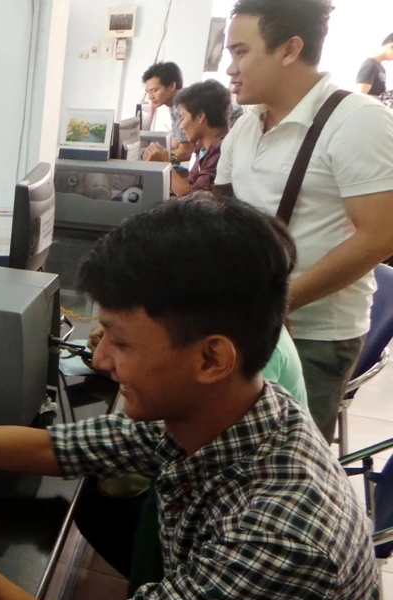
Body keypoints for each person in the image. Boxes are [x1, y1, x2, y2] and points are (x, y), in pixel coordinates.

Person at [0, 195, 381, 600]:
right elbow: (59, 448)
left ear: (211, 358)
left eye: (121, 341)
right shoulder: (231, 411)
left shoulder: (279, 541)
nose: (99, 359)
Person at [215, 0, 393, 443]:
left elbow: (380, 236)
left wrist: (281, 302)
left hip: (314, 335)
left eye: (240, 52)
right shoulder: (246, 125)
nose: (229, 68)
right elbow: (219, 218)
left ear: (290, 49)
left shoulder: (357, 121)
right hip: (247, 322)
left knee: (286, 465)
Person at [144, 79, 233, 196]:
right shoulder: (204, 148)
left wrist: (165, 165)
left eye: (182, 118)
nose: (181, 126)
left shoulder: (221, 150)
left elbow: (193, 197)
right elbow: (191, 183)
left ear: (200, 116)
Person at [140, 62, 193, 164]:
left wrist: (158, 158)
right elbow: (176, 144)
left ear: (172, 86)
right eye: (148, 92)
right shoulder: (174, 104)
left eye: (155, 90)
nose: (150, 97)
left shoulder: (183, 105)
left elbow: (185, 152)